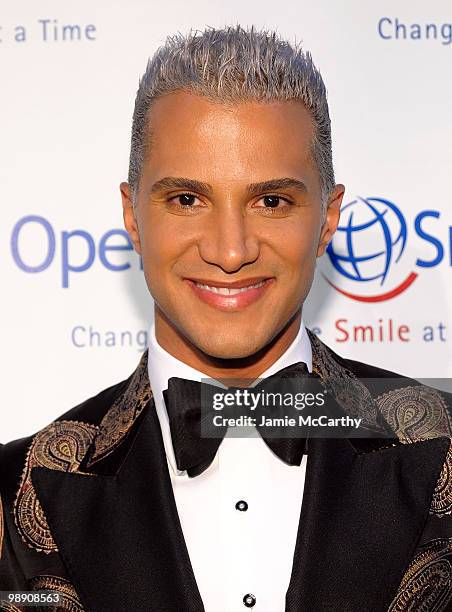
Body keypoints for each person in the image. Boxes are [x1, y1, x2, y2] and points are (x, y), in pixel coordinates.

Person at [1, 24, 451, 612]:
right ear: (132, 217)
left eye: (272, 201)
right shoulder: (16, 493)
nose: (230, 251)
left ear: (329, 218)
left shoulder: (442, 447)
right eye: (187, 199)